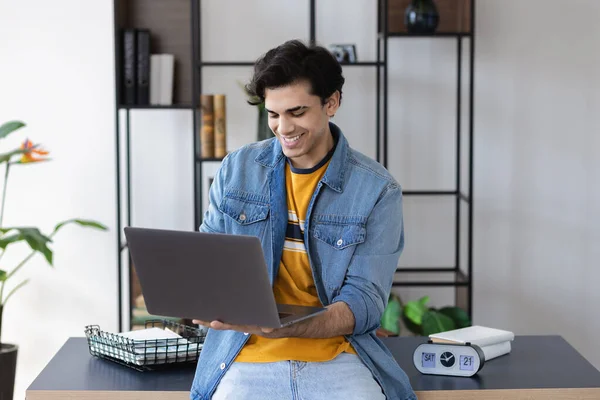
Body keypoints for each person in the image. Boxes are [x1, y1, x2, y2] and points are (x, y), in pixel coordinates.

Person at [190, 39, 416, 400]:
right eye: (273, 114)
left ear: (332, 103)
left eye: (296, 112)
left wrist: (287, 328)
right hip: (244, 357)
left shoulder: (376, 190)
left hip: (339, 359)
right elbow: (209, 258)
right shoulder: (238, 169)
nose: (283, 128)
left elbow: (365, 303)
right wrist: (199, 296)